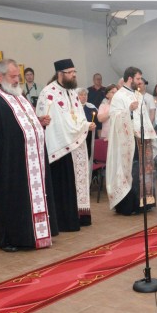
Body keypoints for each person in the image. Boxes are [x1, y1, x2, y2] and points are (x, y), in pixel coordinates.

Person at [0, 58, 57, 251]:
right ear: (0, 76)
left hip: (29, 162)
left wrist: (38, 122)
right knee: (9, 202)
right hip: (7, 162)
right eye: (13, 76)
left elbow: (20, 123)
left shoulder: (18, 94)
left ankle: (31, 234)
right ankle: (7, 239)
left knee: (27, 201)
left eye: (18, 76)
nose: (17, 80)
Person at [36, 58, 96, 231]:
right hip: (60, 147)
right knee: (63, 184)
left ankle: (80, 215)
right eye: (70, 72)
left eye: (74, 72)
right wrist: (80, 128)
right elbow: (54, 122)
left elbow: (77, 116)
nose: (74, 75)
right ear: (60, 74)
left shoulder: (72, 92)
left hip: (76, 143)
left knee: (78, 181)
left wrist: (85, 125)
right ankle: (64, 220)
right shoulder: (48, 93)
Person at [107, 67, 157, 215]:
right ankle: (130, 205)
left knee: (143, 171)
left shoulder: (138, 95)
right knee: (131, 171)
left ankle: (144, 203)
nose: (140, 81)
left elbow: (144, 117)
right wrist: (128, 110)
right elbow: (114, 116)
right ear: (130, 78)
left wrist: (148, 134)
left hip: (142, 138)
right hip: (128, 140)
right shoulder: (119, 96)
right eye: (138, 79)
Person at [77, 88, 99, 158]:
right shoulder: (74, 108)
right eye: (81, 95)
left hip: (90, 135)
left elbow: (98, 122)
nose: (84, 96)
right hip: (79, 135)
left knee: (90, 154)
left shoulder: (91, 107)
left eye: (85, 95)